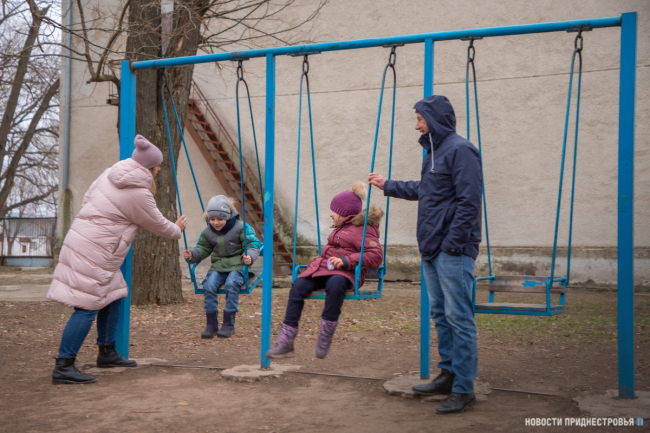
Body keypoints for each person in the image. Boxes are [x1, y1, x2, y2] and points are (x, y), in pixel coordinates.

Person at [369, 95, 482, 414]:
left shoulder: (461, 149)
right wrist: (387, 185)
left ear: (434, 119)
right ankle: (448, 375)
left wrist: (453, 244)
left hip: (452, 249)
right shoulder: (434, 152)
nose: (416, 125)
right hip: (432, 247)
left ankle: (464, 388)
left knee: (459, 317)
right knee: (441, 315)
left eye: (420, 119)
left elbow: (469, 202)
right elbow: (427, 191)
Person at [48, 134, 187, 385]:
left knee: (114, 294)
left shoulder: (111, 173)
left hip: (86, 240)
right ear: (149, 166)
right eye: (157, 166)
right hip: (96, 250)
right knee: (87, 305)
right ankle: (64, 365)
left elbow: (87, 199)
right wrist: (177, 229)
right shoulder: (138, 193)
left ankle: (107, 351)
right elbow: (157, 223)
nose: (158, 170)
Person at [266, 183, 383, 359]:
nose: (331, 214)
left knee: (335, 283)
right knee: (298, 285)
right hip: (326, 269)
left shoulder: (363, 230)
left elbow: (375, 255)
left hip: (347, 273)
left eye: (334, 211)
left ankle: (325, 337)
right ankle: (286, 342)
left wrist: (346, 261)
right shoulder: (340, 228)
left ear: (344, 213)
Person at [183, 195, 260, 339]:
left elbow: (253, 244)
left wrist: (249, 256)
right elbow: (203, 248)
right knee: (209, 285)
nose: (215, 223)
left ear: (228, 216)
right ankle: (211, 325)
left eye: (220, 219)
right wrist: (192, 255)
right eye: (212, 219)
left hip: (238, 265)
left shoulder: (241, 227)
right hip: (218, 267)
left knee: (231, 284)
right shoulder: (208, 232)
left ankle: (229, 324)